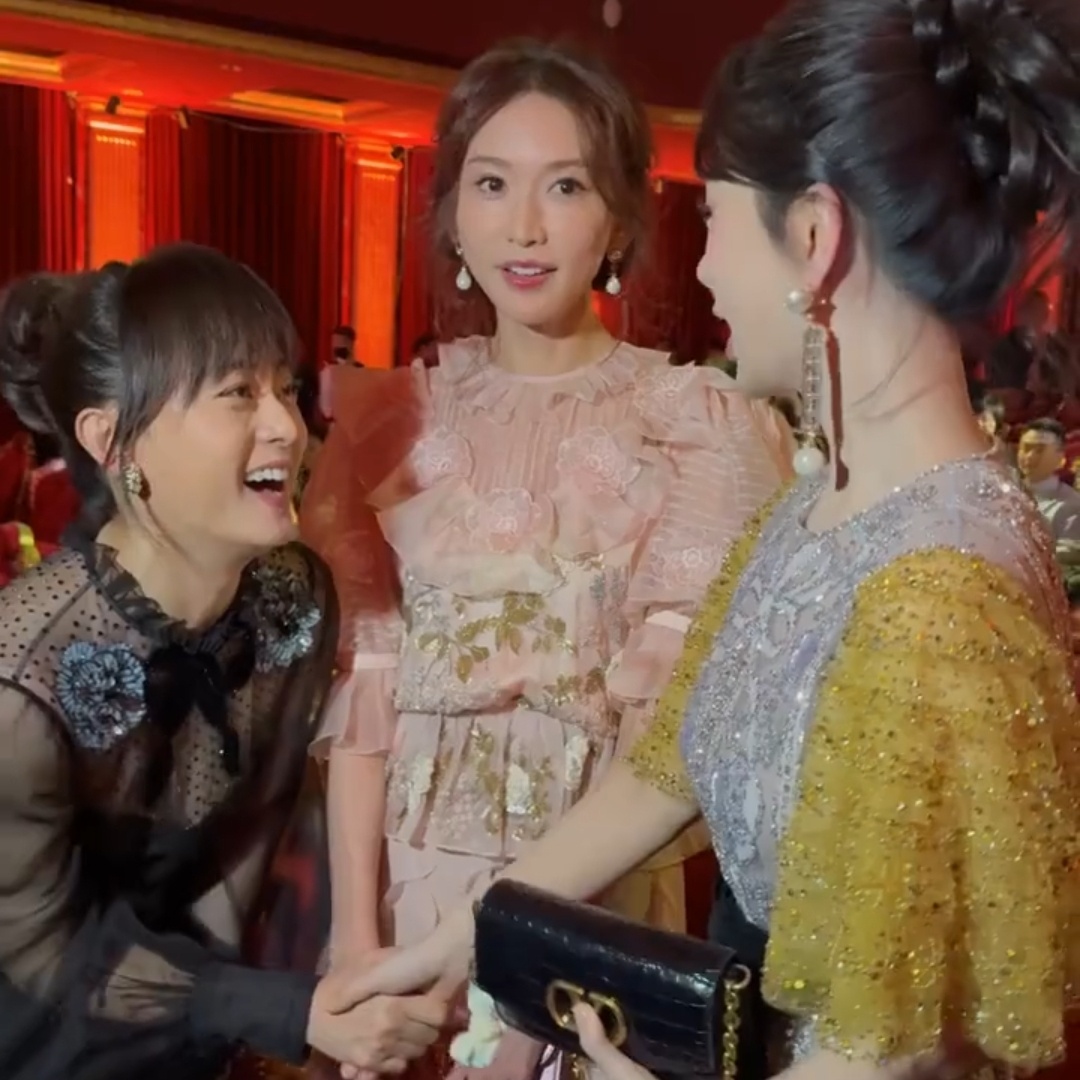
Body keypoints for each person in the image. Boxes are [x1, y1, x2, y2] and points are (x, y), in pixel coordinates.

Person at [338, 0, 1080, 1077]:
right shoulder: (809, 513)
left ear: (814, 240)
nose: (699, 273)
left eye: (717, 224)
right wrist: (461, 941)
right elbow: (669, 760)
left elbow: (891, 1046)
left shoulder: (937, 592)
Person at [299, 37, 792, 1080]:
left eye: (565, 187)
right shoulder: (386, 420)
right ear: (452, 214)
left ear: (619, 218)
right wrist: (356, 945)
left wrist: (528, 981)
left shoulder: (695, 426)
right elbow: (364, 696)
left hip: (590, 903)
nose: (523, 227)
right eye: (491, 185)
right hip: (410, 882)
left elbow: (661, 737)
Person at [0, 244, 447, 1080]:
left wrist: (289, 1016)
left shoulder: (291, 600)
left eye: (286, 387)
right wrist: (286, 1012)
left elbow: (239, 858)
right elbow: (45, 953)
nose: (287, 425)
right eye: (238, 393)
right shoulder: (20, 678)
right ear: (112, 441)